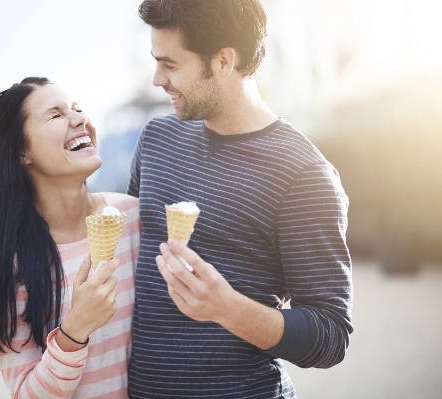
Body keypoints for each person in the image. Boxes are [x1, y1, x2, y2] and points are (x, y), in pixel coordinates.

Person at [127, 1, 353, 398]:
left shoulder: (303, 175)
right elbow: (127, 258)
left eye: (171, 65)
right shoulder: (156, 141)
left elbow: (331, 335)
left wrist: (228, 307)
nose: (156, 79)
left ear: (223, 61)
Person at [0, 77, 139, 399]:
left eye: (77, 109)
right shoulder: (8, 262)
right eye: (56, 115)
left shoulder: (133, 218)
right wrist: (76, 329)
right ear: (22, 151)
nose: (79, 119)